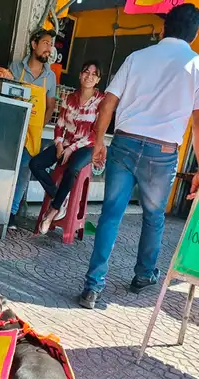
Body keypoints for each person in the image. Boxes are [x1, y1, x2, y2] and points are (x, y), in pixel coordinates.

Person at [79, 4, 199, 309]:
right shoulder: (196, 66)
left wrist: (98, 143)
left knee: (110, 215)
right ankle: (144, 274)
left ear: (163, 28)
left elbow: (107, 103)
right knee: (154, 216)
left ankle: (93, 286)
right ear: (194, 34)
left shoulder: (137, 57)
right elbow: (198, 124)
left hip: (124, 144)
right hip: (162, 153)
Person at [31, 60, 103, 235]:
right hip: (66, 144)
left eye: (94, 74)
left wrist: (72, 148)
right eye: (86, 72)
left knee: (73, 169)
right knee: (35, 164)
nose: (89, 76)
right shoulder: (69, 98)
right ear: (80, 75)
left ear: (98, 80)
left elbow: (96, 132)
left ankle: (53, 211)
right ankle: (58, 196)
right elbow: (60, 125)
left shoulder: (101, 101)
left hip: (86, 146)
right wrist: (58, 144)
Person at [8, 29, 58, 228]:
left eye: (51, 44)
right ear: (34, 44)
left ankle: (11, 214)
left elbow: (51, 105)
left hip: (33, 135)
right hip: (11, 130)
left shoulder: (50, 77)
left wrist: (39, 125)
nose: (49, 48)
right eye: (45, 43)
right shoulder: (15, 67)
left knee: (23, 173)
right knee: (6, 168)